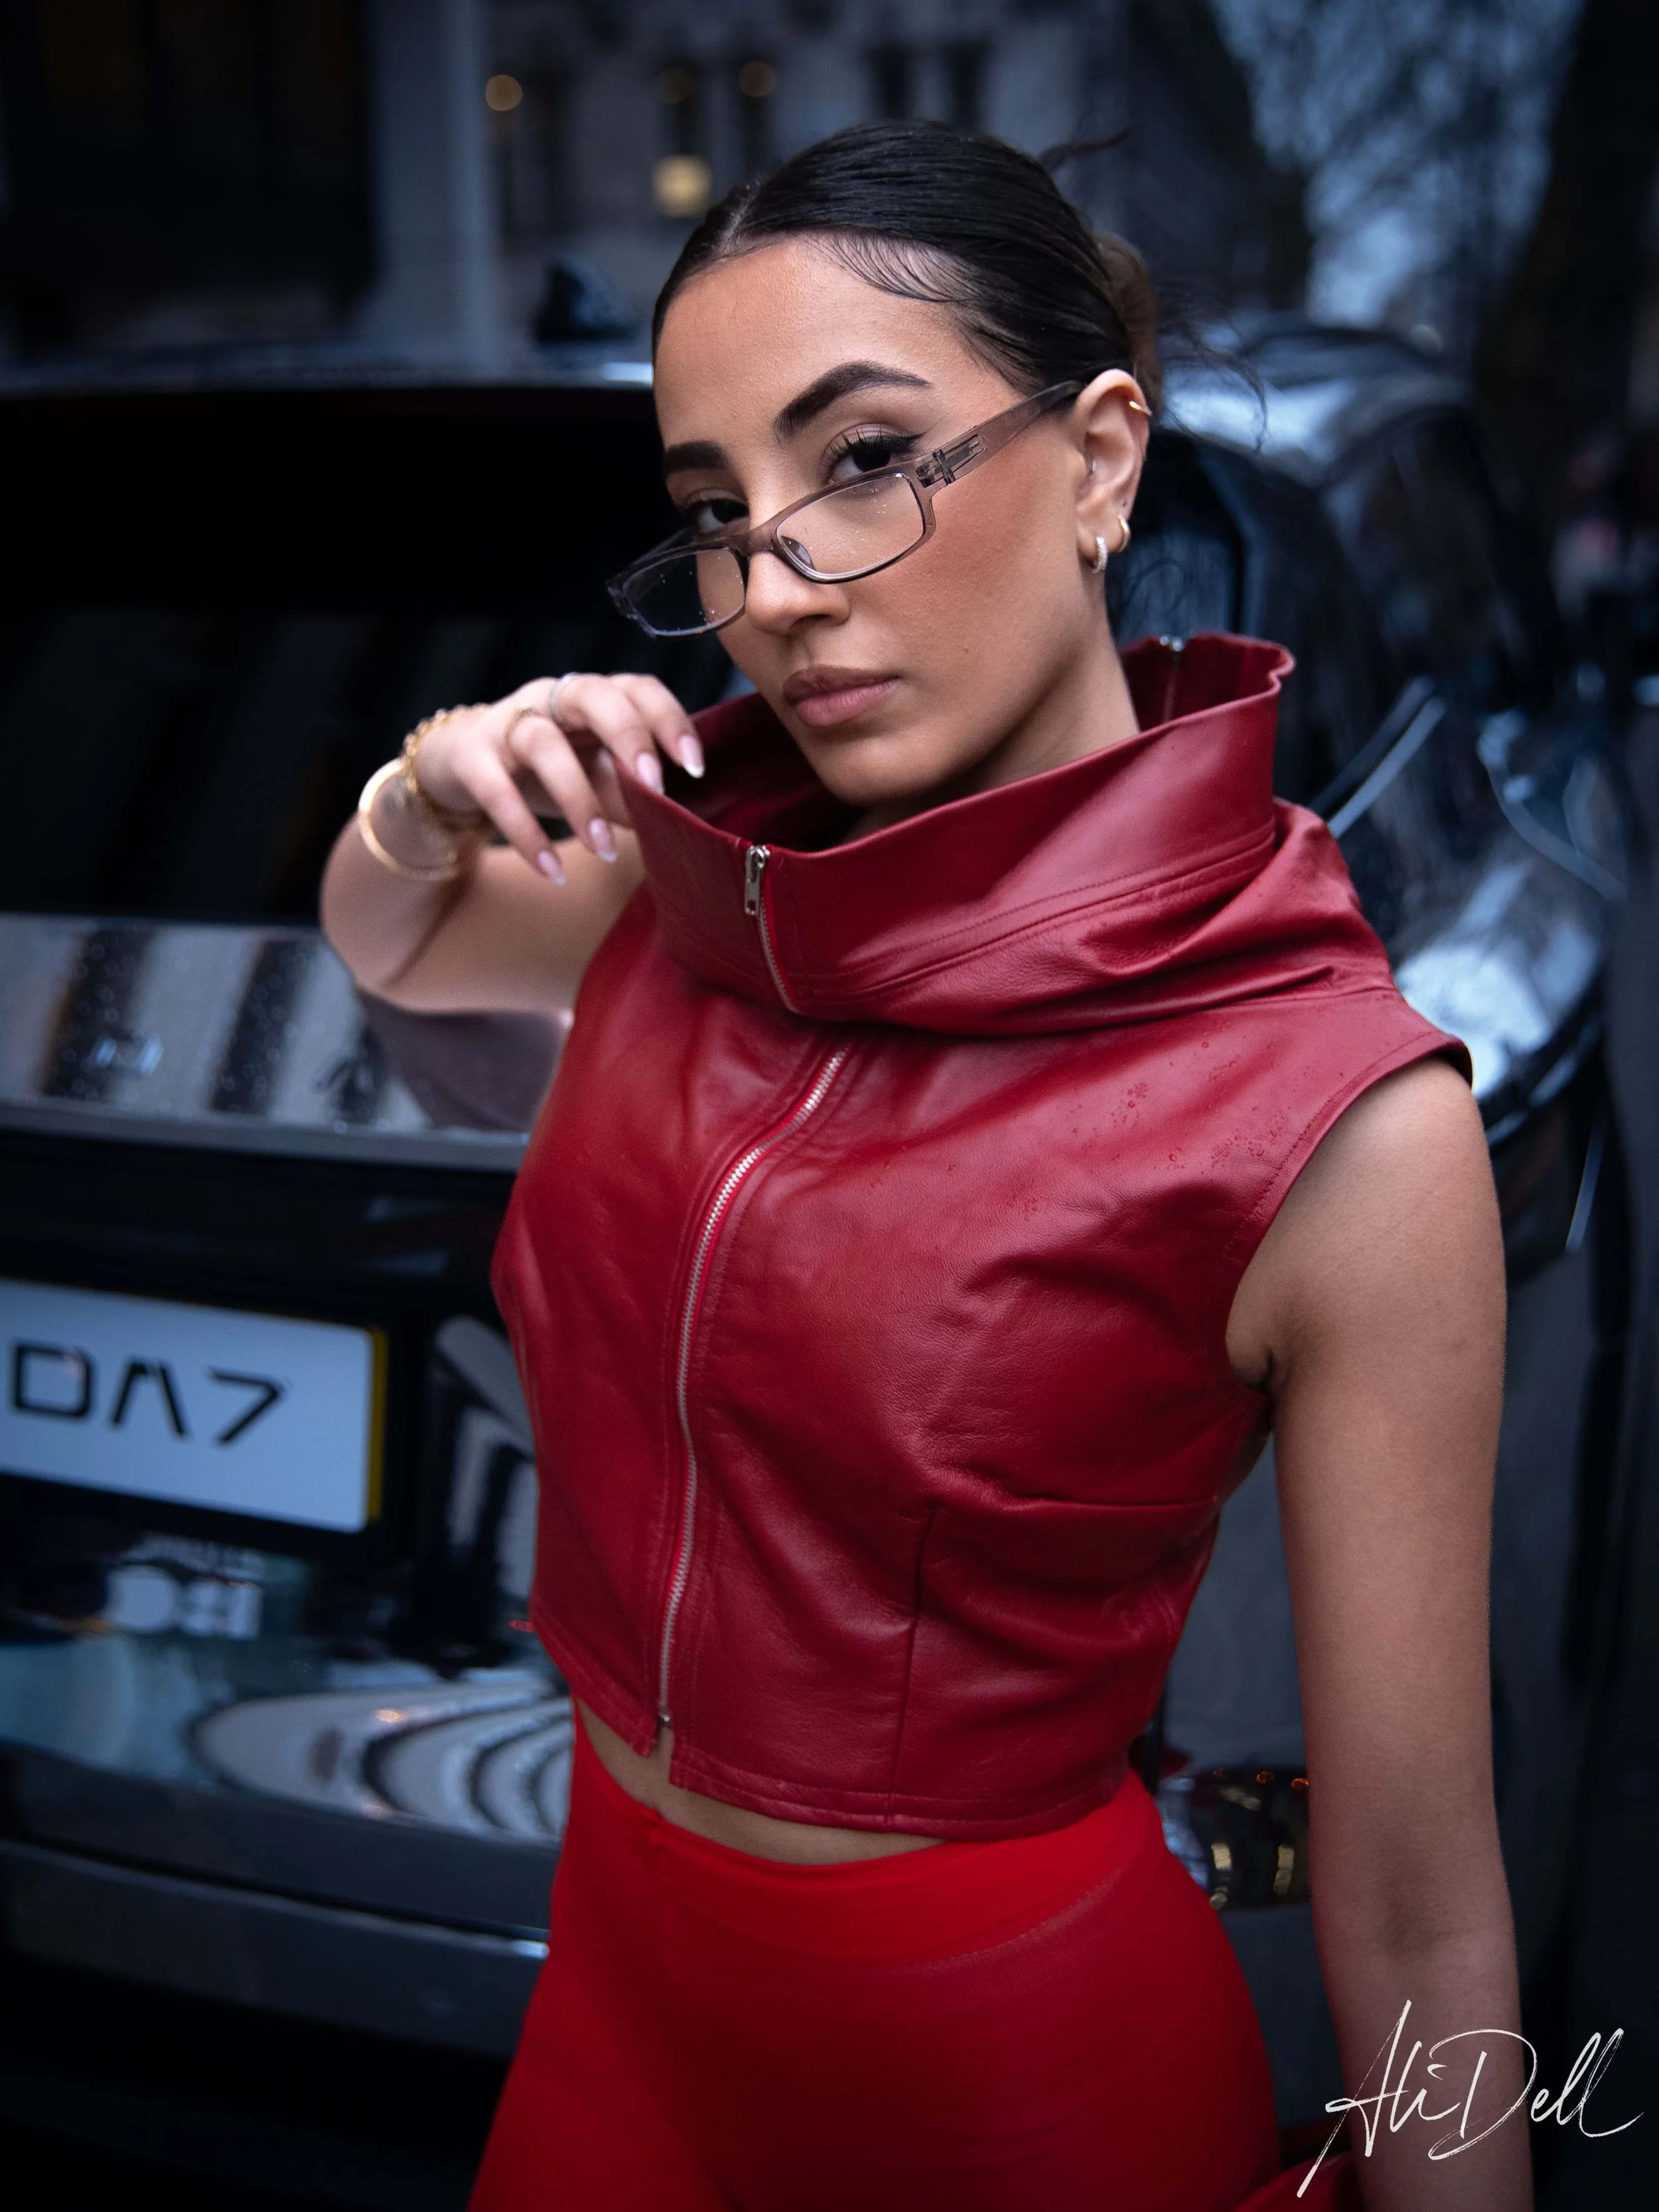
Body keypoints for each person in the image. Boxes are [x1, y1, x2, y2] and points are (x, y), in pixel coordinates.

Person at [321, 121, 1528, 2212]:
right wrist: (421, 793)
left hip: (1007, 2095)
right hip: (615, 1993)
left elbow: (1420, 1903)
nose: (771, 592)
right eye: (716, 511)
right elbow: (396, 942)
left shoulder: (1338, 1111)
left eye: (865, 460)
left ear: (1100, 459)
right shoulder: (695, 880)